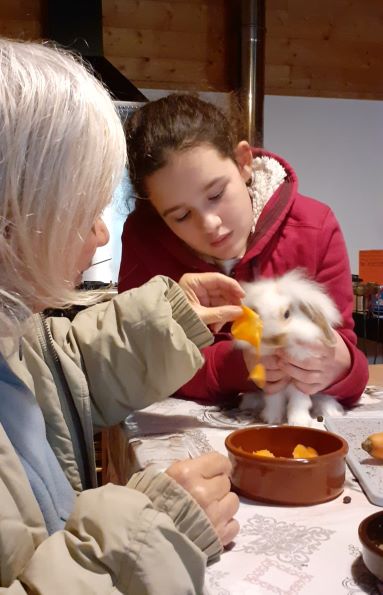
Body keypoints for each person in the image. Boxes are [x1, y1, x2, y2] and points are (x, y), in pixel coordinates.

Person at [0, 40, 243, 593]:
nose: (102, 234)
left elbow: (60, 370)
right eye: (82, 213)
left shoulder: (10, 336)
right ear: (10, 219)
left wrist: (171, 317)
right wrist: (150, 532)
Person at [119, 93, 368, 407]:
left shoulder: (315, 226)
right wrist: (236, 365)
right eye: (181, 216)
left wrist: (338, 365)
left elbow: (351, 362)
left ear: (243, 162)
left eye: (217, 193)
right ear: (156, 211)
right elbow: (138, 364)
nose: (209, 224)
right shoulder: (145, 239)